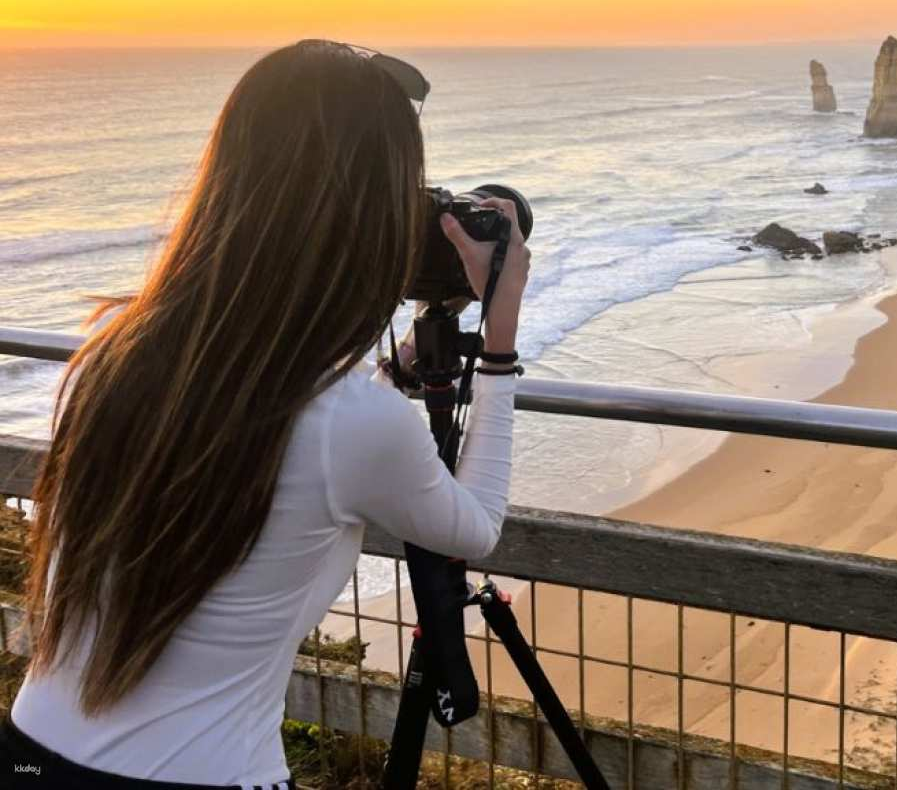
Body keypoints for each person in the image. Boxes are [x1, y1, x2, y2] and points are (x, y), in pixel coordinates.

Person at [3, 40, 530, 788]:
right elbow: (474, 526)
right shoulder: (354, 422)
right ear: (369, 218)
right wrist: (500, 345)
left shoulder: (114, 352)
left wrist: (394, 369)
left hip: (29, 752)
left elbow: (266, 415)